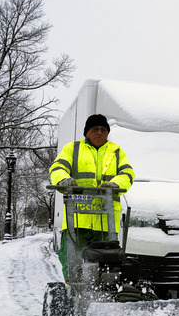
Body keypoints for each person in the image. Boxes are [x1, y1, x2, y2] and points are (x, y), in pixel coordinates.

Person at [49, 114, 135, 281]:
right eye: (95, 129)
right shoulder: (72, 149)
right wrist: (63, 180)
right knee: (72, 262)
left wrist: (115, 184)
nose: (99, 132)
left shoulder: (116, 152)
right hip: (77, 219)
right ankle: (73, 295)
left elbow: (127, 173)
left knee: (107, 264)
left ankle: (104, 296)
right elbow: (57, 167)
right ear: (87, 132)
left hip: (105, 222)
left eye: (103, 130)